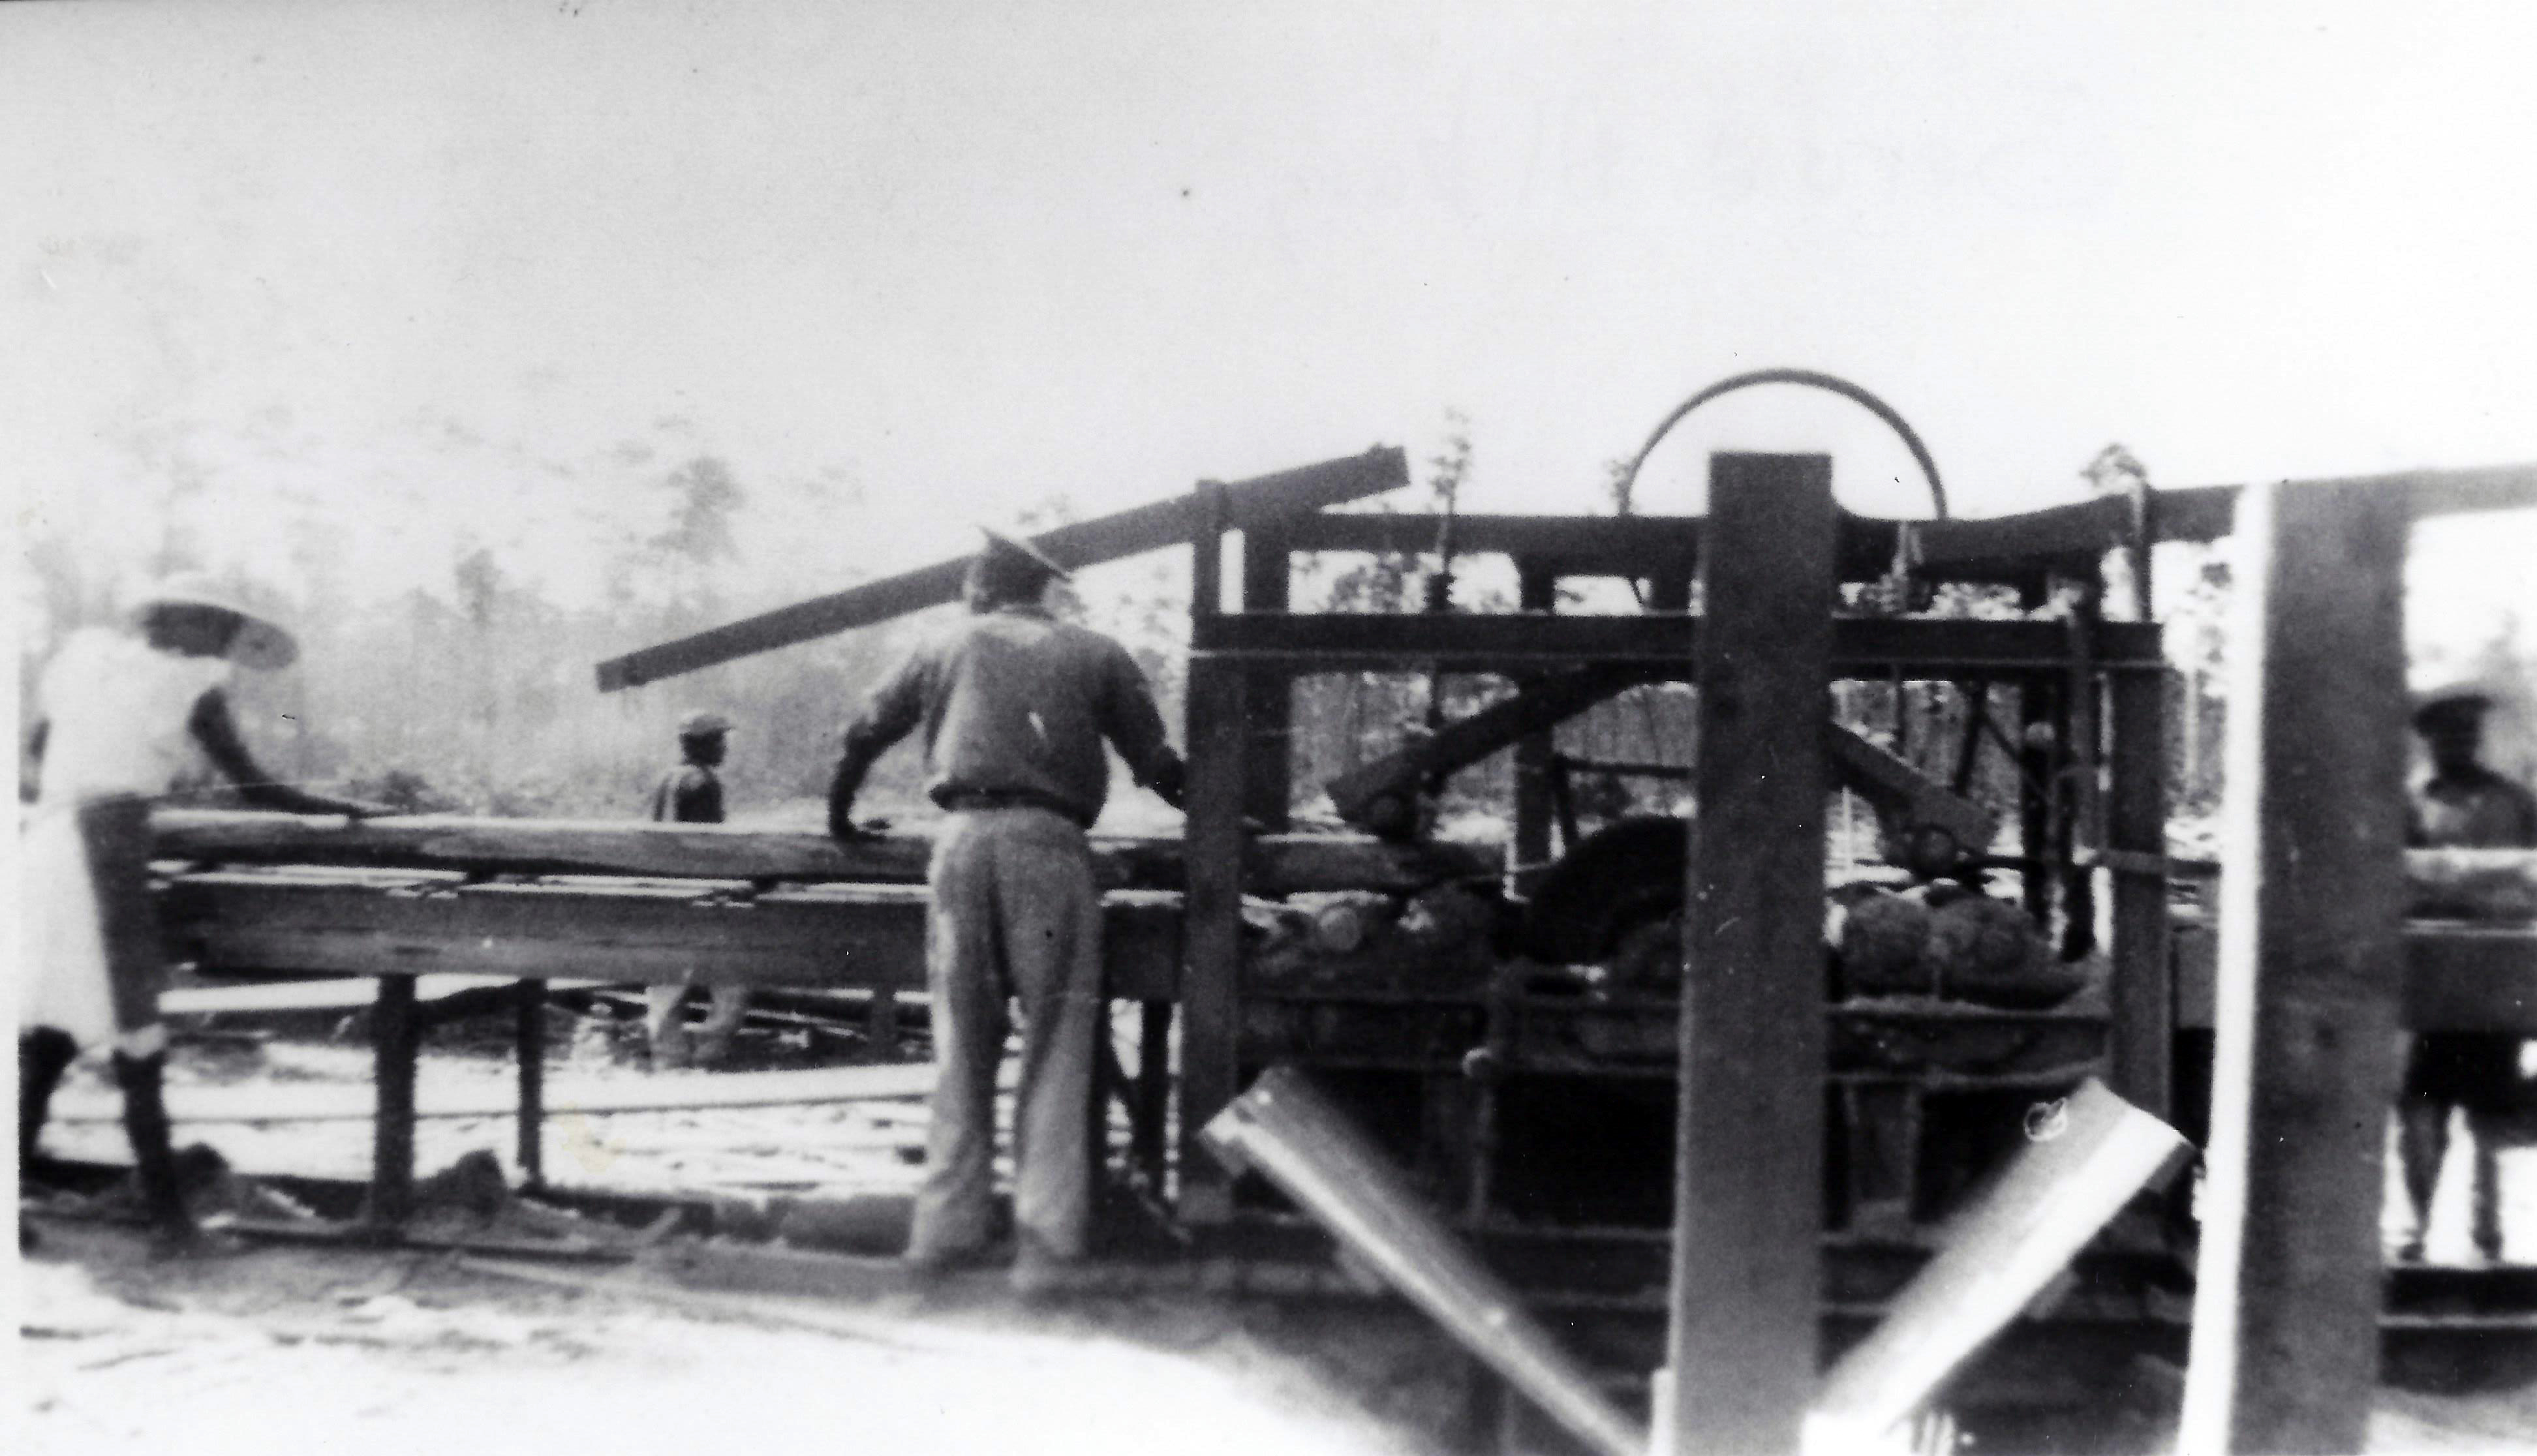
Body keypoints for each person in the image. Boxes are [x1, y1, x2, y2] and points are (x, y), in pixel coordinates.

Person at [826, 527, 1184, 1294]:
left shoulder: (946, 643)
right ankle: (1046, 1248)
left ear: (984, 584)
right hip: (1050, 851)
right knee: (1057, 1044)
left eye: (969, 580)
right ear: (1040, 589)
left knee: (962, 1044)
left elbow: (863, 732)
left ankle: (942, 1238)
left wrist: (839, 817)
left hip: (960, 847)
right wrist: (1225, 823)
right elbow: (1157, 767)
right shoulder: (1096, 651)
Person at [20, 575, 382, 1255]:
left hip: (47, 850)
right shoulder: (192, 685)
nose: (219, 643)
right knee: (136, 1038)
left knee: (49, 1034)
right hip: (104, 859)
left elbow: (34, 762)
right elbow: (256, 786)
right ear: (174, 619)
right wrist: (345, 812)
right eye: (213, 627)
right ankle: (172, 1226)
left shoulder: (80, 661)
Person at [2397, 684, 2537, 1262]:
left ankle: (2488, 1233)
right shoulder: (2408, 804)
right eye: (2449, 733)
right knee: (2420, 1108)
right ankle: (2417, 1227)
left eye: (2470, 732)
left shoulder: (2516, 803)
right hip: (2424, 980)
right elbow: (2392, 879)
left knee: (2489, 1111)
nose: (2462, 742)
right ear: (2428, 739)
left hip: (2492, 979)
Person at [643, 711, 754, 1069]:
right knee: (730, 977)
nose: (724, 748)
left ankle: (668, 1057)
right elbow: (712, 849)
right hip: (698, 895)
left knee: (666, 982)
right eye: (719, 741)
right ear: (703, 744)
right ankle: (710, 1051)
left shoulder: (665, 780)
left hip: (664, 893)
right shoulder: (702, 783)